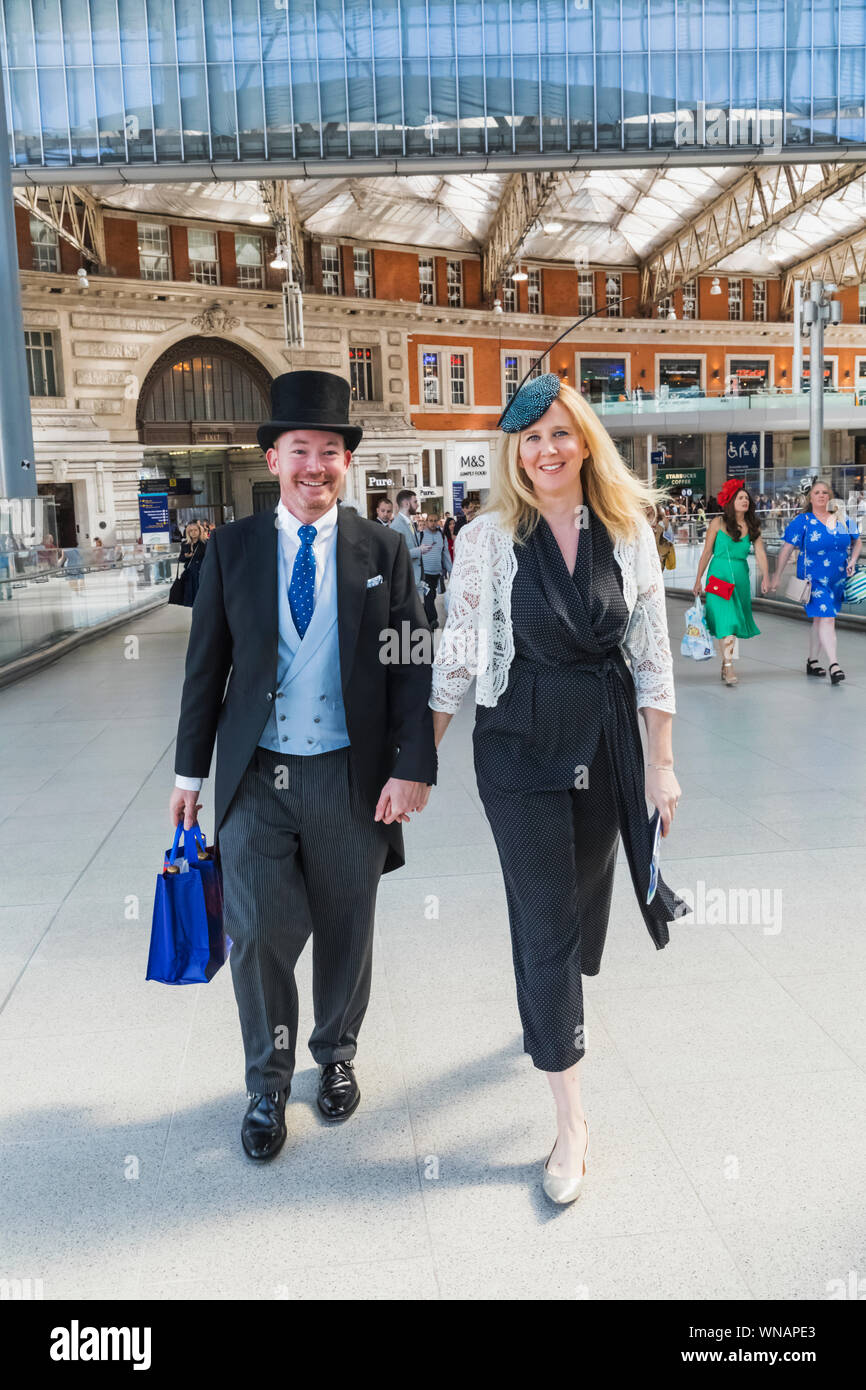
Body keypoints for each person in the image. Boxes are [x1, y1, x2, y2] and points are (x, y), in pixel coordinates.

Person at [429, 374, 684, 1206]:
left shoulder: (626, 530)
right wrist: (418, 760)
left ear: (585, 443)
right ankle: (572, 1121)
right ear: (515, 451)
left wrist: (660, 760)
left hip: (604, 746)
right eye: (530, 438)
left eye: (560, 435)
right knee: (546, 919)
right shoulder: (489, 538)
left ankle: (547, 996)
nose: (545, 451)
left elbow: (650, 651)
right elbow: (458, 658)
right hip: (519, 749)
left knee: (574, 904)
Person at [170, 370, 437, 1162]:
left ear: (346, 462)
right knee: (255, 934)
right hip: (256, 775)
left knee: (348, 930)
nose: (315, 466)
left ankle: (337, 1057)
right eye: (300, 450)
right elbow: (204, 667)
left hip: (350, 778)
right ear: (272, 457)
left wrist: (412, 763)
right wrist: (189, 779)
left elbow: (412, 662)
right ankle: (266, 1082)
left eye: (329, 451)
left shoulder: (382, 549)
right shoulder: (233, 548)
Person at [769, 479, 861, 684]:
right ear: (810, 498)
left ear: (830, 497)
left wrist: (853, 560)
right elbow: (786, 549)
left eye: (825, 492)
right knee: (828, 617)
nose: (821, 495)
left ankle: (812, 661)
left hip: (837, 578)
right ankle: (834, 664)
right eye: (817, 492)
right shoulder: (802, 521)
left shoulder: (842, 519)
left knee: (821, 619)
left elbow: (857, 541)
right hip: (813, 578)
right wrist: (776, 576)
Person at [693, 479, 769, 686]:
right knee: (726, 621)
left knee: (734, 623)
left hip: (740, 579)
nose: (745, 500)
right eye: (740, 497)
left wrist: (766, 577)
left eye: (747, 498)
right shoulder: (717, 522)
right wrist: (698, 578)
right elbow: (707, 552)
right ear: (730, 500)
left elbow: (761, 553)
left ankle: (726, 661)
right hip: (718, 577)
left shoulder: (753, 525)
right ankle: (729, 667)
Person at [389, 489, 431, 592]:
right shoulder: (397, 525)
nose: (417, 505)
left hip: (414, 580)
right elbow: (396, 554)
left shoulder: (409, 522)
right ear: (406, 504)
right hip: (406, 581)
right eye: (415, 502)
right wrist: (419, 550)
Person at [419, 513, 452, 629]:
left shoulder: (442, 536)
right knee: (429, 596)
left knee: (431, 596)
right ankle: (433, 620)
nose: (433, 523)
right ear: (427, 522)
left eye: (435, 521)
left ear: (438, 522)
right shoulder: (421, 535)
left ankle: (425, 618)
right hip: (425, 573)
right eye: (430, 521)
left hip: (437, 573)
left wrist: (451, 570)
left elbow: (446, 554)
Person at [178, 520, 207, 608]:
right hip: (190, 575)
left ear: (199, 531)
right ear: (188, 532)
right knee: (191, 598)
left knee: (202, 597)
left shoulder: (205, 543)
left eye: (195, 530)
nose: (193, 533)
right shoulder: (185, 544)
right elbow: (180, 559)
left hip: (202, 573)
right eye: (191, 531)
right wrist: (187, 556)